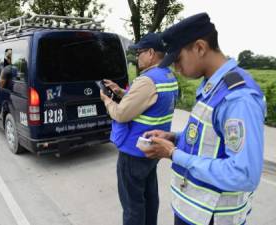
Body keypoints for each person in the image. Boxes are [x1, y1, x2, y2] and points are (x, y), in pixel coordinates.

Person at [140, 13, 266, 225]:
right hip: (194, 211)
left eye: (178, 60)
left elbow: (244, 174)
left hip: (213, 218)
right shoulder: (212, 86)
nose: (176, 69)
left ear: (200, 47)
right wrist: (174, 138)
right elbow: (211, 140)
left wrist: (173, 154)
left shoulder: (238, 98)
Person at [100, 33, 179, 225]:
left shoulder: (146, 80)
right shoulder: (168, 76)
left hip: (133, 152)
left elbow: (121, 114)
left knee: (132, 205)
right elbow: (149, 101)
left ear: (151, 53)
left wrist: (107, 100)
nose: (137, 57)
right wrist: (121, 92)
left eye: (140, 52)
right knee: (150, 198)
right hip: (152, 149)